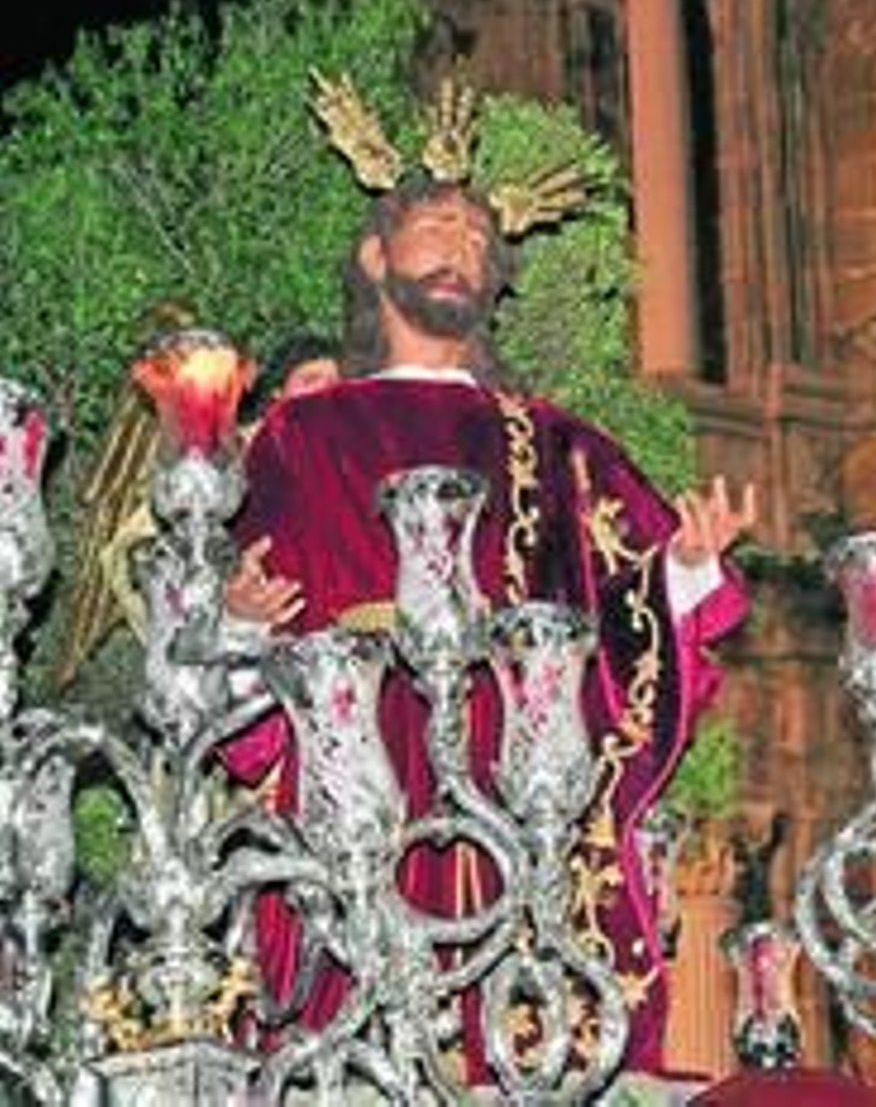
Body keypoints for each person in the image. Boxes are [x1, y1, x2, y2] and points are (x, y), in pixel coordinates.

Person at [221, 171, 755, 1086]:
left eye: (477, 238)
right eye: (435, 227)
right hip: (363, 760)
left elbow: (620, 595)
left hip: (518, 758)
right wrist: (239, 625)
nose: (460, 250)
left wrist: (688, 568)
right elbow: (255, 615)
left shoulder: (550, 439)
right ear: (376, 255)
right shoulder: (302, 434)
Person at [98, 328, 341, 643]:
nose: (328, 393)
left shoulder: (363, 467)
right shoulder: (223, 459)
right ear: (277, 394)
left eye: (340, 384)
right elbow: (135, 555)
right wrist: (228, 601)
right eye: (310, 380)